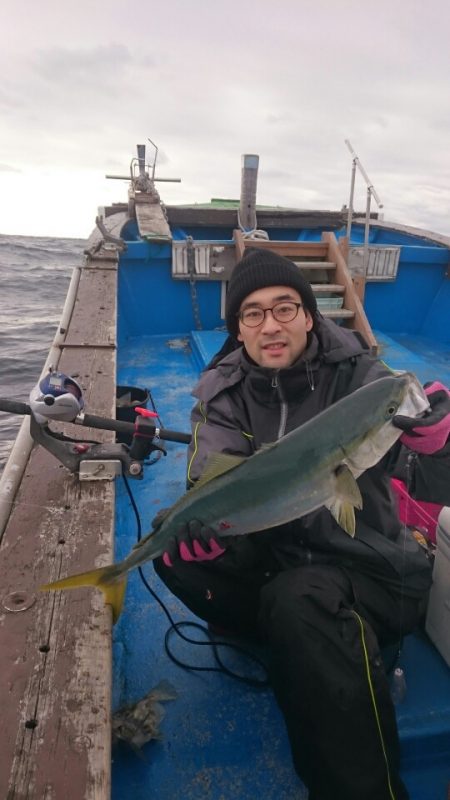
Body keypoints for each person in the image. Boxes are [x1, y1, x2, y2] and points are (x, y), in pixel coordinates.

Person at [154, 248, 450, 800]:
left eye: (285, 308)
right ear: (238, 329)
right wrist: (203, 537)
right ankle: (299, 643)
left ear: (310, 315)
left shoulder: (364, 379)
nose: (270, 324)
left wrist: (437, 445)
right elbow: (209, 479)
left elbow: (426, 468)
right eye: (253, 313)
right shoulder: (222, 396)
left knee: (300, 601)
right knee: (173, 551)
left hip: (370, 569)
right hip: (277, 556)